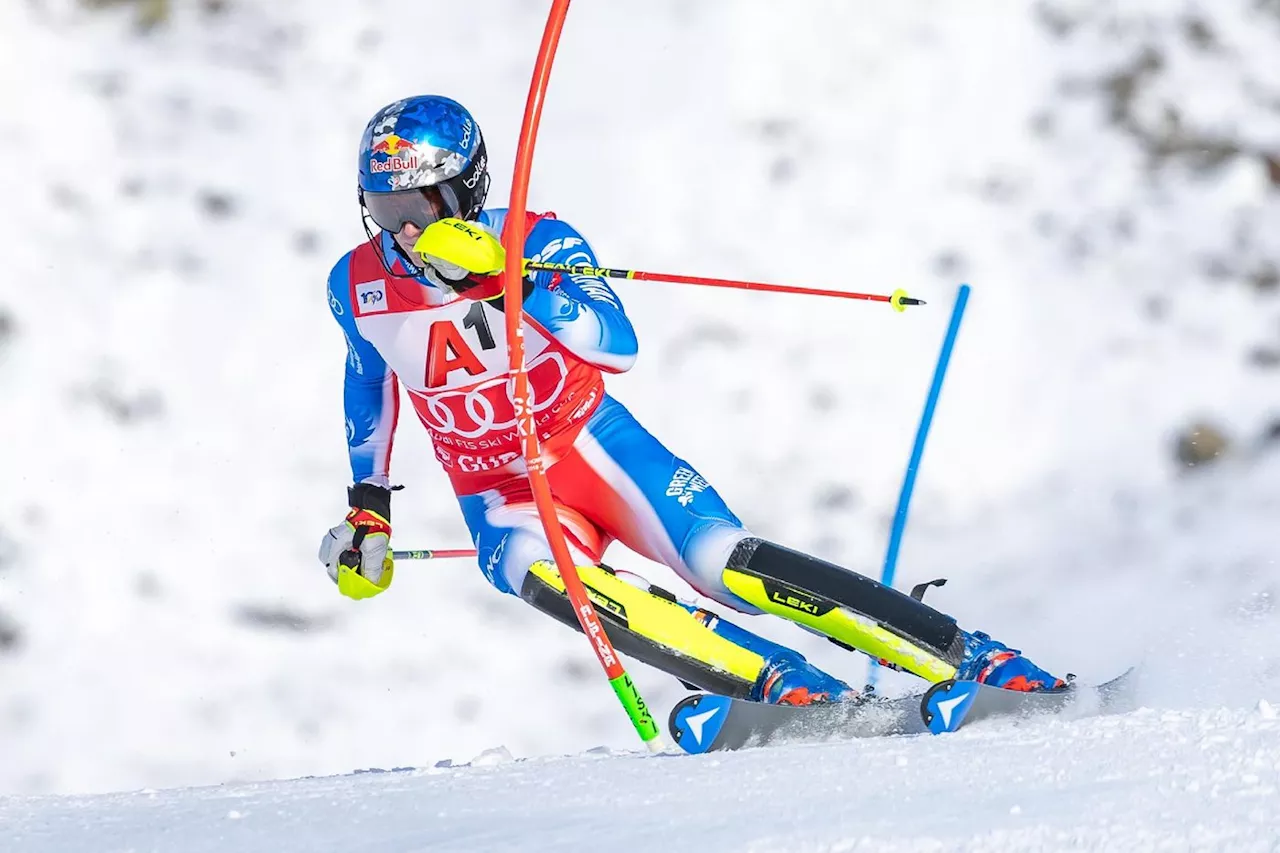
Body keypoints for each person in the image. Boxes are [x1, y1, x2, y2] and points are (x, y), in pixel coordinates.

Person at [318, 94, 1065, 706]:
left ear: (464, 189)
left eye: (418, 203)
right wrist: (368, 510)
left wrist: (511, 280)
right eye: (383, 209)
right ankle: (784, 687)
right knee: (540, 574)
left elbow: (616, 343)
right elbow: (368, 381)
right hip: (496, 488)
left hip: (592, 447)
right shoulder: (357, 284)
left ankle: (968, 656)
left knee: (719, 561)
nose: (404, 229)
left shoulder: (536, 237)